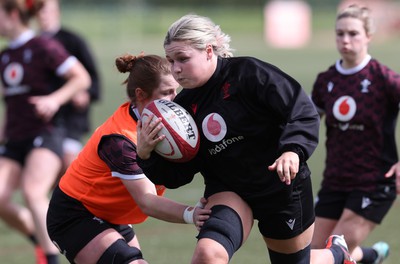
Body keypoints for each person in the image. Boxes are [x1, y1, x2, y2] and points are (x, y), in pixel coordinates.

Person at [136, 14, 357, 264]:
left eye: (183, 59)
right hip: (229, 190)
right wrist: (146, 155)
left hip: (280, 185)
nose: (175, 69)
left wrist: (292, 151)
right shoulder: (182, 109)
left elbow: (301, 110)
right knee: (208, 254)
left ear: (209, 51)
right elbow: (180, 173)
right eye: (171, 60)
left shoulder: (248, 74)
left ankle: (337, 254)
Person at [46, 53, 211, 264]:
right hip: (74, 215)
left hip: (111, 213)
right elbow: (147, 201)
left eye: (176, 90)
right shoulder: (120, 141)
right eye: (167, 92)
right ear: (141, 94)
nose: (175, 99)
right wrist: (191, 213)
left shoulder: (156, 124)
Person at [0, 0, 91, 264]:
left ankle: (51, 259)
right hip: (15, 138)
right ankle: (40, 240)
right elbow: (11, 103)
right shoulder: (5, 56)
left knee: (32, 191)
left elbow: (81, 78)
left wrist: (54, 99)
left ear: (13, 14)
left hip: (47, 134)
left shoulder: (43, 46)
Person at [310, 4, 400, 264]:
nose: (345, 40)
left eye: (353, 33)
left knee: (330, 255)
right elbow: (307, 123)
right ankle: (369, 256)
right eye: (340, 34)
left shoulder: (384, 79)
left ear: (368, 36)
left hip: (373, 182)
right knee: (308, 252)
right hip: (335, 181)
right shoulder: (326, 80)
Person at [36, 0, 101, 173]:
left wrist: (85, 93)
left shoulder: (73, 41)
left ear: (57, 12)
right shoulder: (33, 44)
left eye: (47, 11)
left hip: (70, 118)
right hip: (42, 118)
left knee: (67, 164)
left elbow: (92, 78)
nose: (43, 15)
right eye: (39, 11)